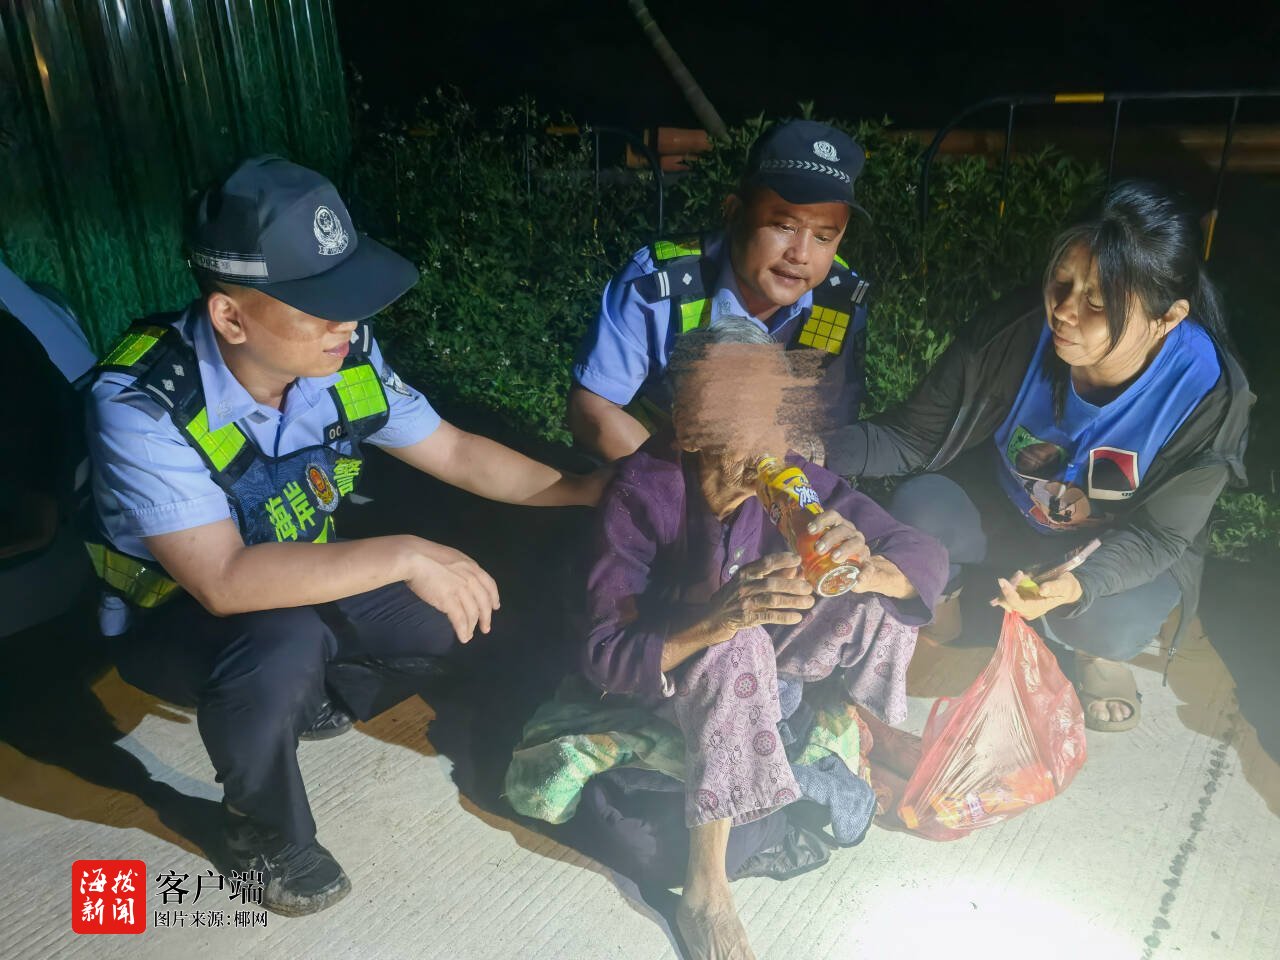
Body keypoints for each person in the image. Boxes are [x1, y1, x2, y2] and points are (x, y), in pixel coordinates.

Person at [85, 156, 604, 916]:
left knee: (463, 608)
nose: (349, 323)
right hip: (175, 616)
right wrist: (405, 552)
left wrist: (586, 490)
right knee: (282, 642)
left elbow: (455, 451)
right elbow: (223, 580)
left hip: (299, 574)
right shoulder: (142, 404)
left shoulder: (340, 355)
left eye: (351, 298)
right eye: (322, 306)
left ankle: (316, 697)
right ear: (231, 317)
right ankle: (262, 832)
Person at [825, 180, 1253, 733]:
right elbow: (910, 436)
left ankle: (1093, 653)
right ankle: (941, 612)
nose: (1065, 312)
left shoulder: (1208, 396)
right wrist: (804, 447)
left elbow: (1159, 536)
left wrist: (1077, 585)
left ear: (1167, 318)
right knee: (918, 511)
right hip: (1004, 512)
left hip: (1107, 545)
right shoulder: (1011, 335)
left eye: (1098, 302)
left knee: (1110, 621)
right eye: (1061, 283)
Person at [581, 318, 948, 959]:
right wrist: (717, 620)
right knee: (740, 640)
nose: (768, 440)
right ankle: (706, 891)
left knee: (879, 597)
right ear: (690, 425)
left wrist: (865, 565)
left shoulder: (793, 482)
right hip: (668, 677)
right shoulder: (642, 495)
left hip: (769, 669)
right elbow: (603, 655)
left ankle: (862, 727)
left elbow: (919, 551)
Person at [568, 119, 873, 464]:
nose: (800, 254)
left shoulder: (841, 301)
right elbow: (591, 408)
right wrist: (673, 487)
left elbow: (830, 432)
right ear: (734, 212)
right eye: (784, 226)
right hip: (653, 471)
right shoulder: (658, 283)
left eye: (823, 237)